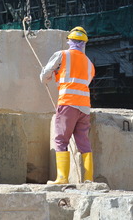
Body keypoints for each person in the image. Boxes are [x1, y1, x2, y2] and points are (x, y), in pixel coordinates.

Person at [40, 26, 95, 184]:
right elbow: (84, 81)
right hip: (84, 106)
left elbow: (44, 76)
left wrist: (50, 77)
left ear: (69, 41)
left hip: (68, 103)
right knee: (83, 142)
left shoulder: (62, 55)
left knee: (60, 140)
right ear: (84, 43)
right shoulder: (89, 63)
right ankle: (89, 179)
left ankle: (62, 178)